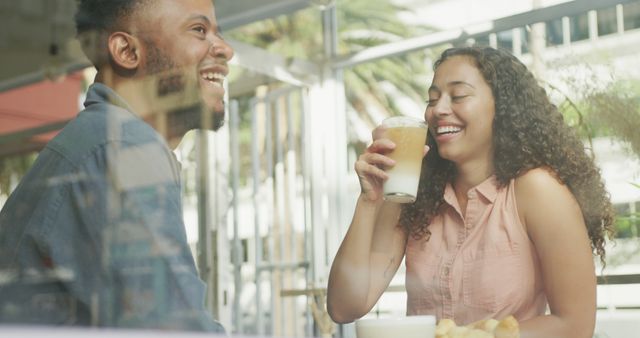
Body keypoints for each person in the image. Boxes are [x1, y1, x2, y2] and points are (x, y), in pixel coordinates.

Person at [327, 46, 614, 338]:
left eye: (459, 96)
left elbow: (575, 325)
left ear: (502, 106)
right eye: (432, 99)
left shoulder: (536, 189)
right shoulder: (414, 194)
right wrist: (369, 201)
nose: (438, 110)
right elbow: (344, 307)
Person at [0, 0, 233, 332]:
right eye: (199, 30)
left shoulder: (103, 141)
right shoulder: (121, 146)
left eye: (217, 33)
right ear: (126, 51)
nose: (226, 49)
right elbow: (178, 328)